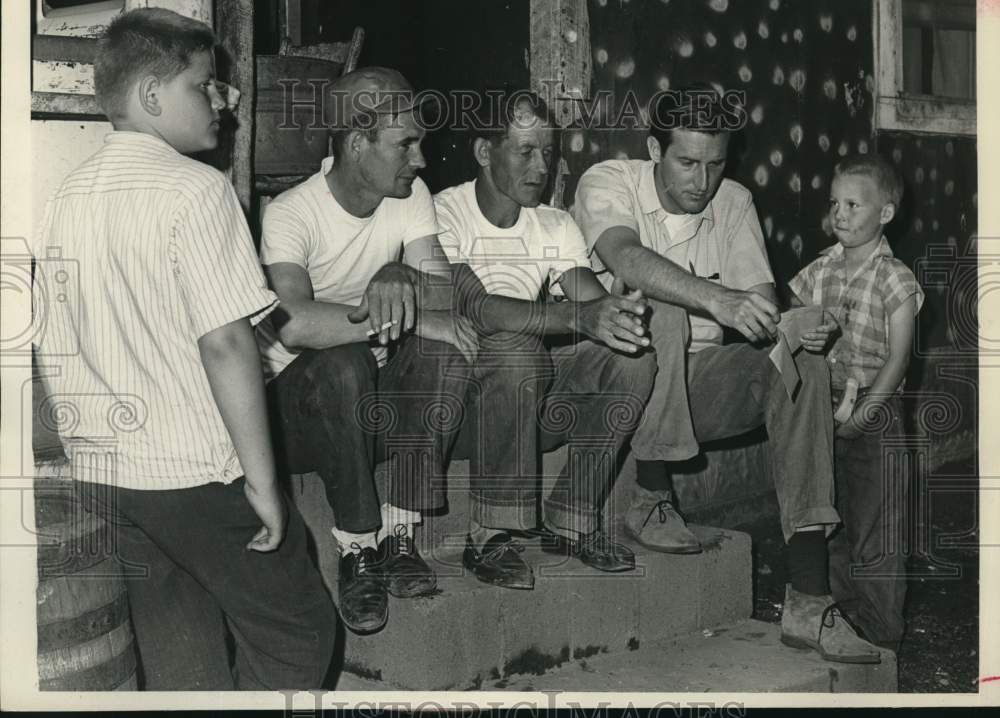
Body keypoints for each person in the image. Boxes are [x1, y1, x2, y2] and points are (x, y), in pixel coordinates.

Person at [33, 8, 336, 690]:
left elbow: (53, 337)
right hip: (192, 474)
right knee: (301, 631)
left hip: (107, 475)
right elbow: (227, 343)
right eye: (204, 85)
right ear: (151, 95)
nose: (223, 100)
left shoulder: (65, 195)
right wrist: (262, 484)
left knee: (181, 650)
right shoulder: (198, 190)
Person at [572, 83, 883, 663]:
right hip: (618, 380)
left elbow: (761, 307)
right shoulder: (609, 181)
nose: (702, 181)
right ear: (654, 149)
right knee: (655, 304)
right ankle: (650, 492)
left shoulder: (733, 200)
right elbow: (625, 258)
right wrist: (717, 299)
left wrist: (798, 326)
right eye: (687, 163)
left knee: (801, 362)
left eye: (715, 164)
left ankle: (809, 597)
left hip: (700, 385)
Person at [258, 67, 477, 635]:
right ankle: (358, 545)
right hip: (297, 414)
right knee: (344, 359)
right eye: (406, 145)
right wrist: (397, 315)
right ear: (357, 143)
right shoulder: (291, 211)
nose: (421, 160)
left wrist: (400, 273)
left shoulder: (409, 196)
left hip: (369, 403)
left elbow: (441, 296)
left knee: (445, 351)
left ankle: (400, 533)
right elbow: (293, 324)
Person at [434, 91, 656, 589]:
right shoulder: (444, 213)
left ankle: (570, 519)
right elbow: (479, 308)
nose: (541, 167)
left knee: (632, 357)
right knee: (516, 349)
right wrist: (582, 315)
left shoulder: (553, 223)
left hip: (529, 394)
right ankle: (489, 533)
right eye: (526, 151)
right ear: (484, 151)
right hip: (462, 405)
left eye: (548, 153)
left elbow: (591, 303)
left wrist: (619, 312)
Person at [789, 154, 923, 653]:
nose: (839, 214)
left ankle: (882, 630)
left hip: (876, 410)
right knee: (833, 519)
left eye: (852, 205)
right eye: (834, 203)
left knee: (875, 525)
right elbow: (795, 331)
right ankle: (844, 617)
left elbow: (899, 359)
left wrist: (864, 415)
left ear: (885, 213)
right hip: (823, 406)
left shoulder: (895, 279)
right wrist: (808, 334)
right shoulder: (819, 269)